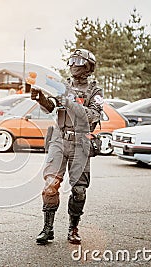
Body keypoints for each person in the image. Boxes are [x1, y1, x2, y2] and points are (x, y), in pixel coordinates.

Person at [31, 49, 103, 245]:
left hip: (81, 143)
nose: (72, 64)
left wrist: (69, 102)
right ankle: (48, 229)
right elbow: (52, 105)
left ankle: (73, 228)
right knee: (50, 185)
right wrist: (40, 98)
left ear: (88, 66)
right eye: (71, 60)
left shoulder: (95, 92)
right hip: (59, 140)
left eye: (77, 60)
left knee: (79, 190)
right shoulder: (64, 86)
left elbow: (92, 116)